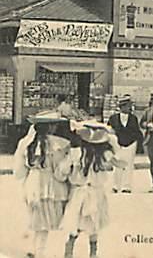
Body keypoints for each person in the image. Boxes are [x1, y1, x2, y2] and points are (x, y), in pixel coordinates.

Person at [58, 125, 124, 258]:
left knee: (75, 222)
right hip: (96, 192)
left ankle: (69, 250)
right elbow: (122, 163)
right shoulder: (104, 154)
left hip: (79, 192)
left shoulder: (75, 153)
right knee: (94, 222)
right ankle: (93, 253)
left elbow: (63, 170)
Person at [13, 111, 71, 258]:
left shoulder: (25, 143)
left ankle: (34, 249)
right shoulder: (61, 144)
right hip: (52, 186)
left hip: (32, 184)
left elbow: (19, 172)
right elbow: (60, 173)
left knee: (36, 220)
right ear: (51, 126)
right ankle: (41, 252)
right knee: (48, 223)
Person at [107, 95, 142, 193]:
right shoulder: (113, 118)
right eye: (127, 106)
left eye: (129, 106)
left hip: (131, 144)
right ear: (121, 107)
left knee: (129, 165)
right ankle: (116, 185)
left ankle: (126, 186)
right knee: (117, 165)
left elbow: (136, 131)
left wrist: (136, 143)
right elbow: (109, 130)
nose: (129, 108)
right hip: (117, 144)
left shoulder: (133, 118)